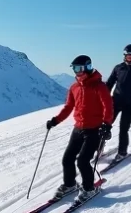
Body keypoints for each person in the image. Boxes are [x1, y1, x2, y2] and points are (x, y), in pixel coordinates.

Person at [46, 54, 114, 202]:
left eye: (79, 68)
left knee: (83, 161)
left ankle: (89, 189)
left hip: (94, 130)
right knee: (67, 159)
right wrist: (55, 121)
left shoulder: (99, 86)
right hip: (78, 129)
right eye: (75, 68)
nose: (77, 72)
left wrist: (106, 125)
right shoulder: (74, 87)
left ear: (88, 67)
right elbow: (69, 107)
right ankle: (70, 185)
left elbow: (108, 107)